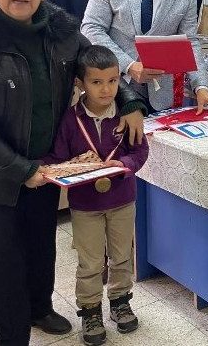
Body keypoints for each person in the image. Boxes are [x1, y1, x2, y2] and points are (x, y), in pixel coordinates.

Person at [0, 0, 146, 345]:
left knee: (40, 245)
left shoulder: (62, 33)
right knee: (1, 257)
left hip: (46, 164)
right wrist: (22, 170)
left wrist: (130, 102)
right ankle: (10, 333)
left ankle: (39, 308)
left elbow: (98, 66)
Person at [43, 45, 149, 345]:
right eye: (97, 82)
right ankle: (90, 311)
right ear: (81, 83)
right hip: (85, 205)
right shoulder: (70, 120)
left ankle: (120, 301)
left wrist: (125, 164)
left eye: (113, 81)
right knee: (89, 262)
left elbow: (140, 151)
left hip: (122, 200)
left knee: (122, 255)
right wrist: (45, 169)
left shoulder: (127, 116)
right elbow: (59, 158)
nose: (106, 89)